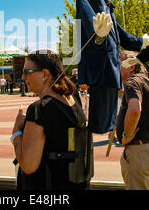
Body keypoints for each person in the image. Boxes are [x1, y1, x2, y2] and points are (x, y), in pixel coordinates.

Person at [74, 0, 149, 134]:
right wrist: (98, 34)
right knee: (100, 112)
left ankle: (109, 126)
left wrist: (138, 42)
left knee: (110, 105)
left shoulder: (106, 2)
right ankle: (99, 127)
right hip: (99, 62)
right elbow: (87, 19)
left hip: (111, 64)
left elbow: (118, 32)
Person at [12, 50, 93, 190]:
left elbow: (28, 165)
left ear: (45, 74)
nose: (23, 77)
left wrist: (16, 133)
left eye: (27, 72)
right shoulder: (73, 102)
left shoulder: (39, 109)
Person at [116, 54, 149, 190]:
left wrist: (126, 136)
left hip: (140, 152)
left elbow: (134, 109)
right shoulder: (148, 80)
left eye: (119, 62)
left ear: (131, 66)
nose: (116, 66)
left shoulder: (133, 82)